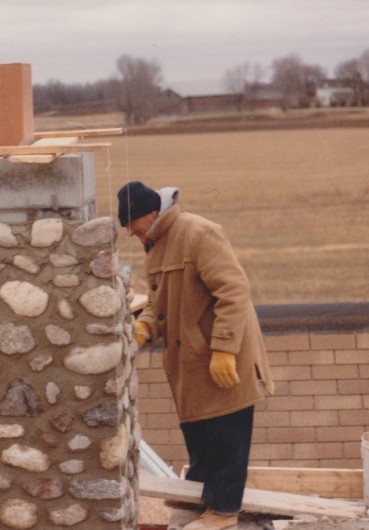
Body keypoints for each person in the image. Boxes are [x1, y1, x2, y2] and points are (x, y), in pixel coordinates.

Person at [118, 180, 274, 530]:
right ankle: (201, 495)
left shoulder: (199, 233)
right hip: (193, 361)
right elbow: (158, 303)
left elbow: (234, 291)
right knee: (202, 434)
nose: (129, 233)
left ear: (152, 214)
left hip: (221, 357)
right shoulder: (157, 244)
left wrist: (224, 349)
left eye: (132, 224)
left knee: (227, 436)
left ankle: (223, 512)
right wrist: (144, 327)